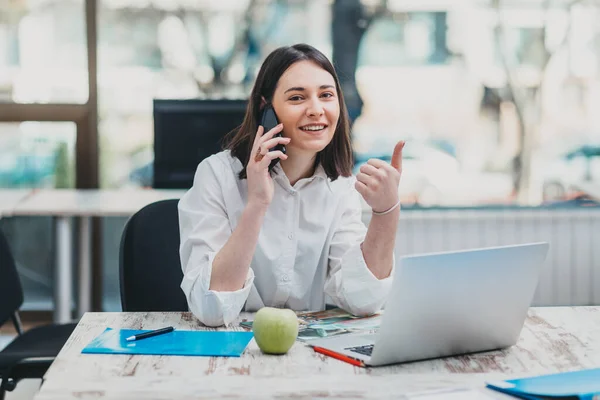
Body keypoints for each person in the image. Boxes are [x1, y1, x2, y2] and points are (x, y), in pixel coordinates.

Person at [178, 43, 404, 327]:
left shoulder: (340, 186)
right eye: (297, 98)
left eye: (326, 95)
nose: (316, 110)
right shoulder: (216, 175)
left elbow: (364, 301)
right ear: (266, 108)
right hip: (229, 352)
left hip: (307, 354)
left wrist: (387, 212)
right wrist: (257, 204)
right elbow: (212, 310)